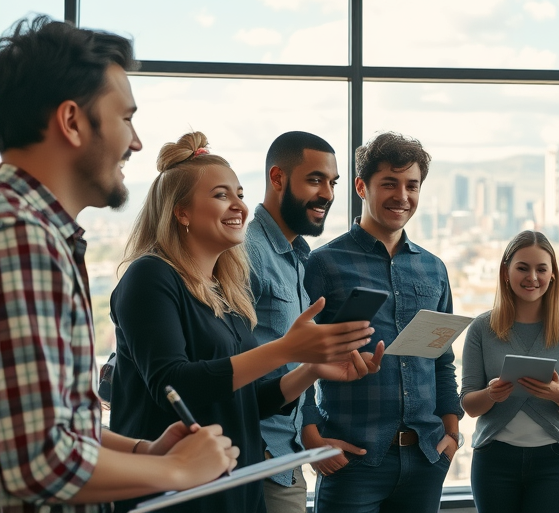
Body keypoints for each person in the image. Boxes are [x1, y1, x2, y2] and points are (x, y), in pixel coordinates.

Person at [0, 16, 235, 513]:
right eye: (126, 119)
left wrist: (143, 452)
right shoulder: (22, 235)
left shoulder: (38, 231)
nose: (137, 143)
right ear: (72, 121)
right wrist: (175, 471)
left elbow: (54, 422)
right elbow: (38, 460)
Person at [108, 132, 381, 513]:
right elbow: (173, 385)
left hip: (234, 486)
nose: (239, 205)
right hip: (175, 494)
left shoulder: (225, 290)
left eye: (239, 194)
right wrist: (284, 350)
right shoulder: (150, 276)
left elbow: (244, 400)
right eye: (222, 195)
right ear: (181, 212)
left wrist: (310, 370)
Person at [302, 131, 463, 513]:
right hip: (352, 461)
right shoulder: (323, 264)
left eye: (412, 185)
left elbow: (441, 360)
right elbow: (296, 358)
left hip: (426, 458)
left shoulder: (434, 269)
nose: (402, 196)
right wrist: (311, 436)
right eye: (389, 183)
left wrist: (452, 433)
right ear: (362, 186)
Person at [247, 131, 372, 513]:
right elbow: (225, 362)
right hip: (259, 456)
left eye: (332, 183)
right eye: (315, 180)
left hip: (286, 453)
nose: (328, 194)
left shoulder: (298, 258)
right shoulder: (248, 253)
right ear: (278, 178)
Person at [461, 231, 559, 513]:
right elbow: (469, 405)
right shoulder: (481, 328)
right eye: (522, 268)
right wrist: (491, 394)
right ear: (506, 272)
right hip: (494, 459)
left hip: (556, 460)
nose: (532, 277)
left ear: (553, 274)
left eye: (541, 269)